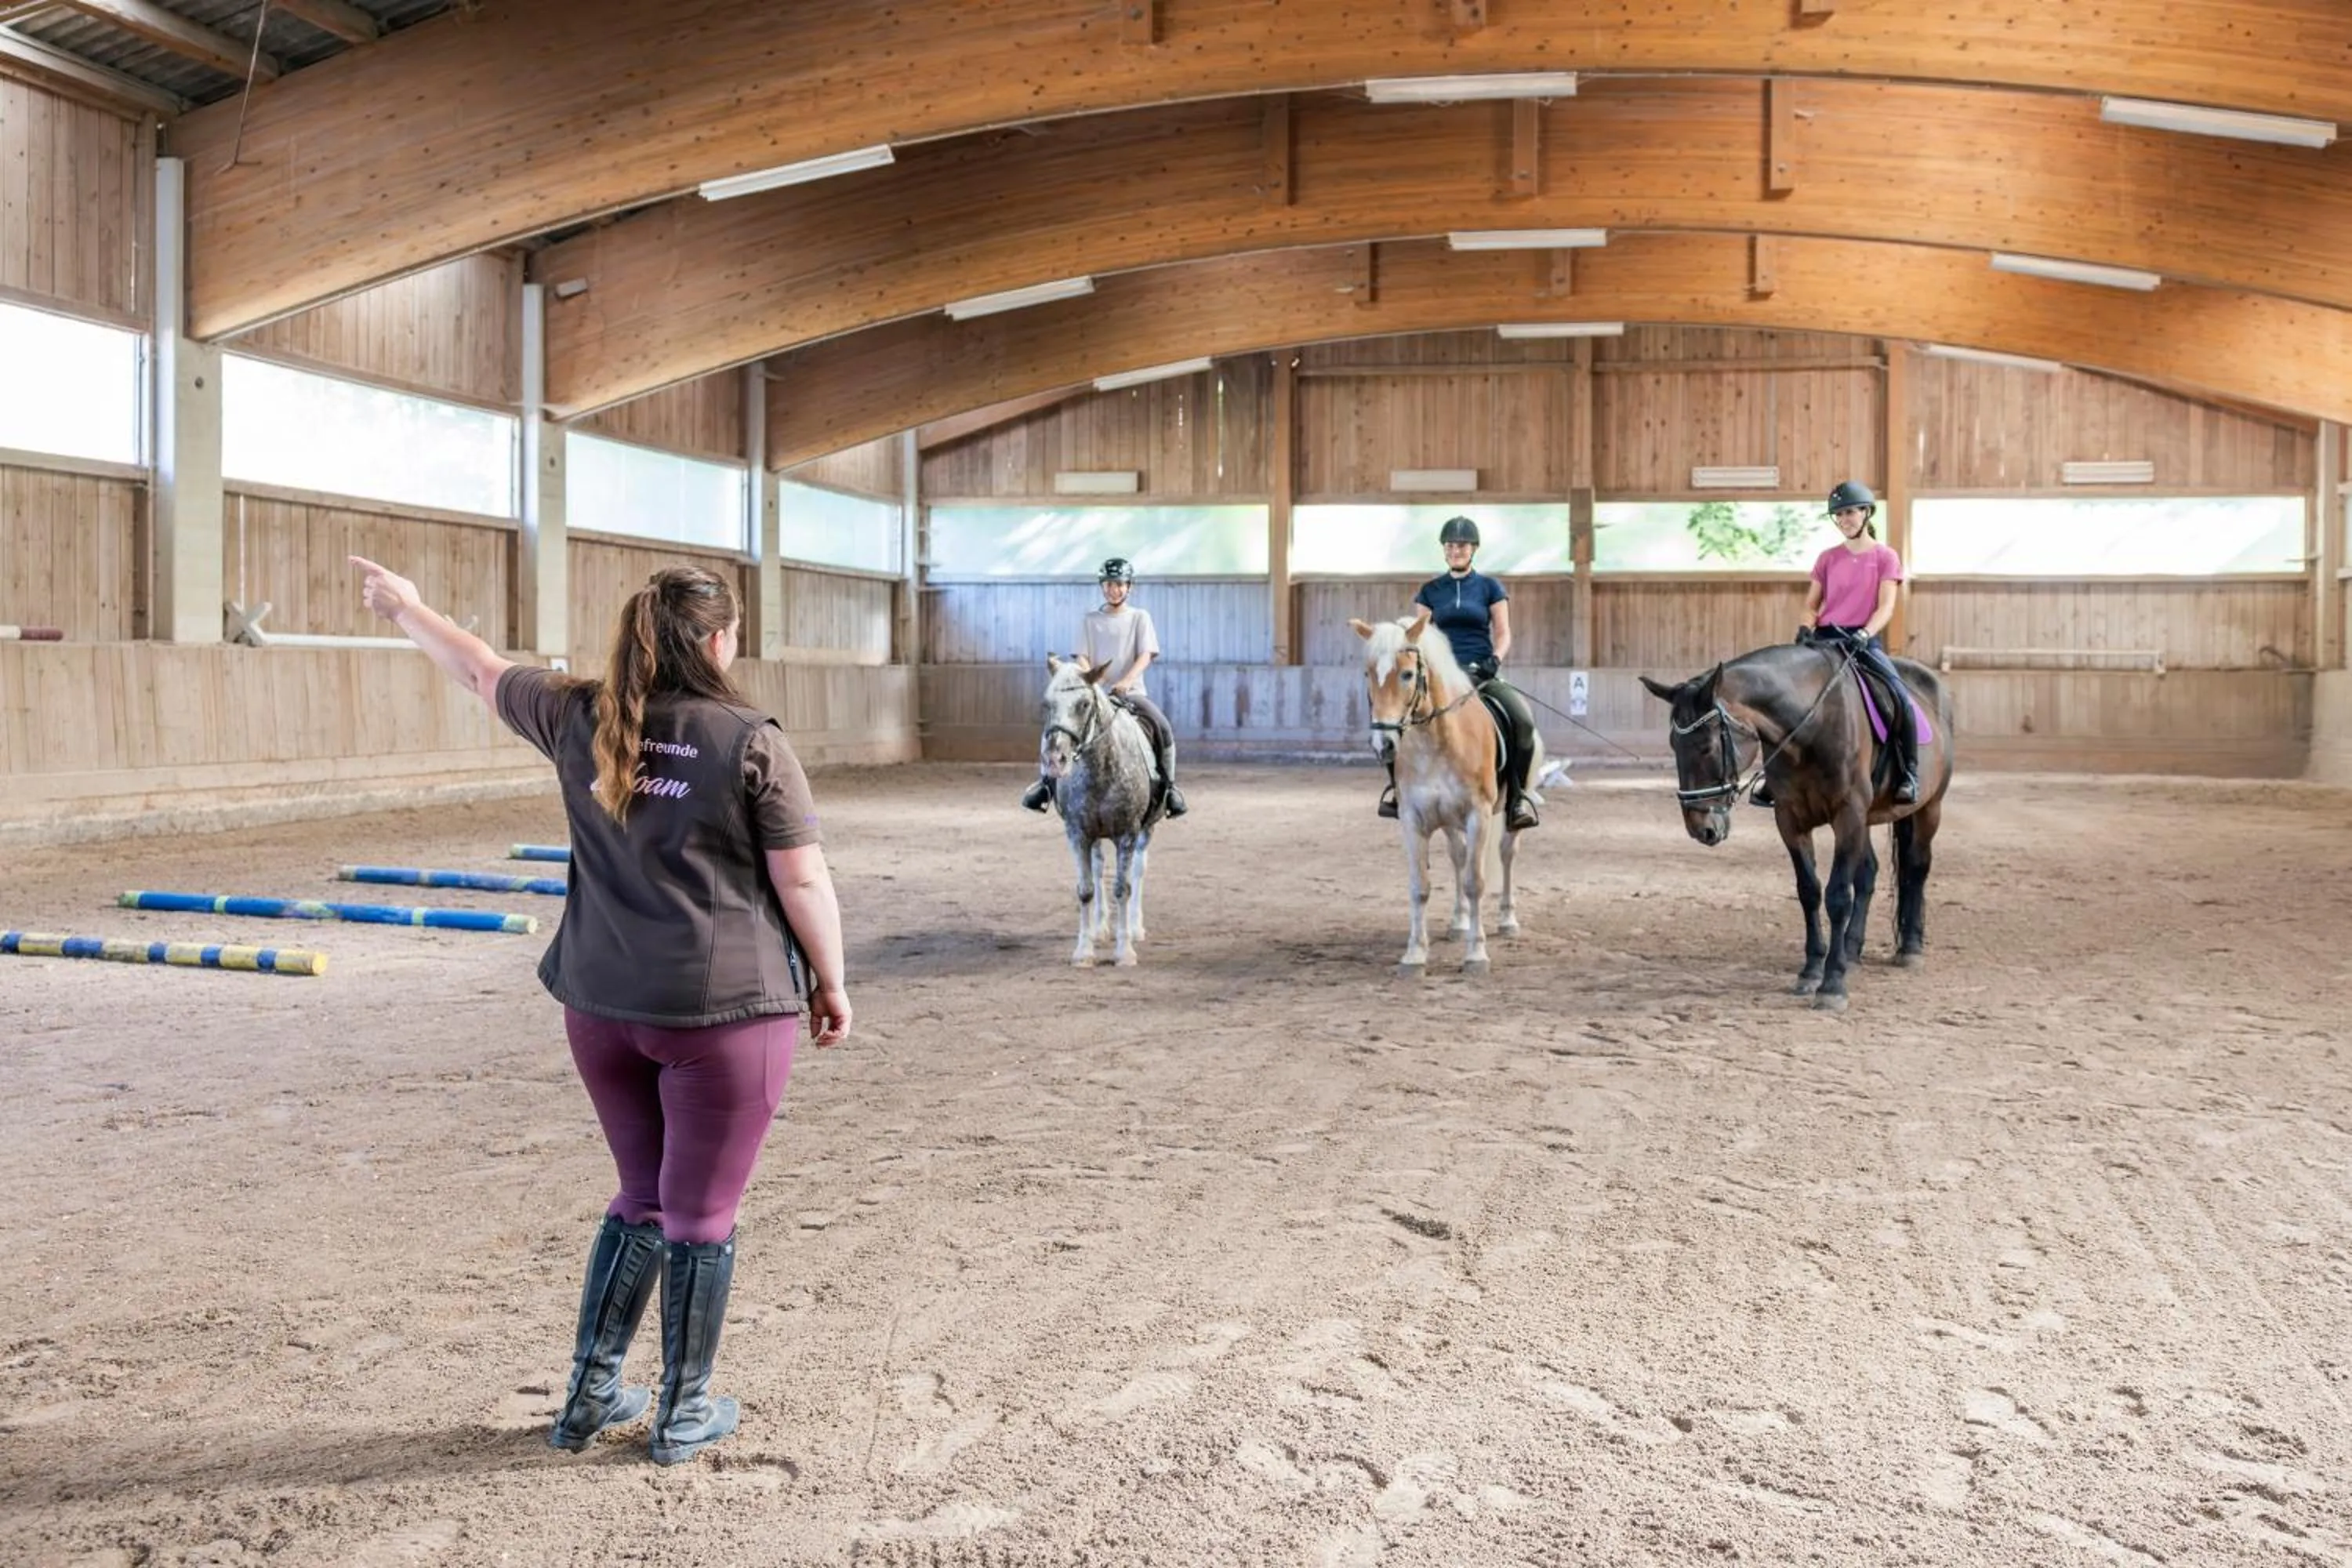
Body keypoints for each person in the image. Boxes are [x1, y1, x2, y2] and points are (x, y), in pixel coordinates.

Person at [351, 554, 852, 1466]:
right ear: (719, 640)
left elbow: (476, 667)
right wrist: (833, 978)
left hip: (600, 1007)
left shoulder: (578, 714)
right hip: (722, 1011)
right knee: (701, 1214)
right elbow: (804, 878)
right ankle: (683, 1411)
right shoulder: (749, 740)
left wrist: (408, 607)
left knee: (641, 1196)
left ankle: (589, 1393)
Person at [1759, 479, 1919, 806]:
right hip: (1824, 640)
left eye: (1850, 512)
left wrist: (1865, 633)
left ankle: (1909, 773)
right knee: (1783, 698)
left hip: (1862, 640)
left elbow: (1886, 607)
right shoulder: (1827, 558)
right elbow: (1811, 604)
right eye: (1840, 515)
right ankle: (1774, 777)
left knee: (1899, 695)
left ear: (1866, 513)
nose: (1845, 519)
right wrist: (1805, 627)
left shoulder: (1886, 557)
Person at [1379, 516, 1541, 832]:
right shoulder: (1430, 591)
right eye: (1450, 546)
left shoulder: (1490, 587)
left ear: (1473, 549)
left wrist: (1495, 658)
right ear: (1444, 550)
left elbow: (1504, 632)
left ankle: (1518, 798)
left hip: (1481, 672)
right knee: (1392, 721)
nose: (1456, 551)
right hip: (1440, 676)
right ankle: (1397, 791)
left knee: (1522, 721)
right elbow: (1420, 636)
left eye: (1462, 546)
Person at [1019, 556, 1188, 818]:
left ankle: (1169, 789)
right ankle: (1046, 785)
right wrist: (1094, 681)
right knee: (1056, 727)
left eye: (1119, 584)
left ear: (1129, 587)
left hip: (1131, 694)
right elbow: (1082, 656)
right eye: (1109, 584)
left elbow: (1146, 654)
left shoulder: (1139, 617)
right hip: (1094, 694)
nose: (1114, 589)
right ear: (1102, 587)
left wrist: (1126, 681)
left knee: (1162, 726)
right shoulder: (1090, 620)